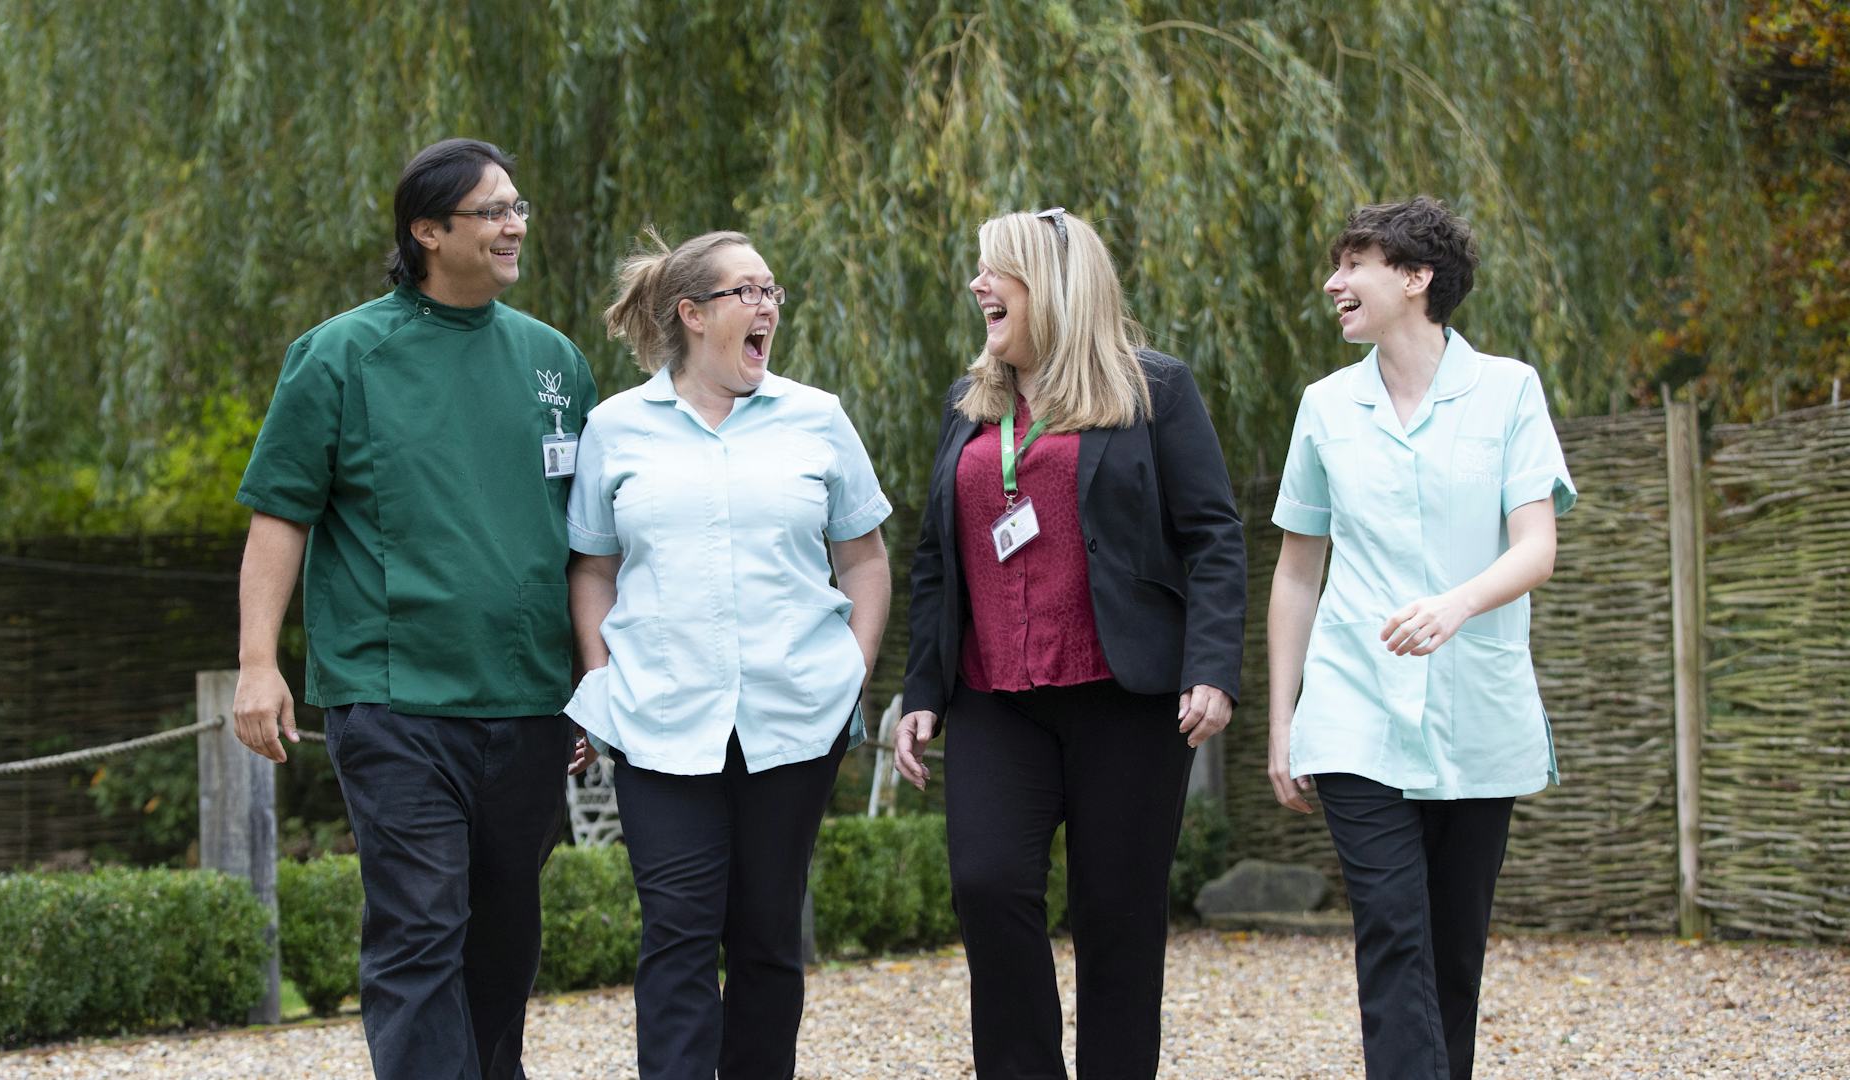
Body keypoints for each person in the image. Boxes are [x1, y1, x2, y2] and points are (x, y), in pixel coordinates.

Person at [232, 137, 597, 1080]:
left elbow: (589, 545)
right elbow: (281, 515)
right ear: (428, 230)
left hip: (527, 700)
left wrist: (599, 681)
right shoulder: (341, 355)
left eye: (519, 206)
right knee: (421, 920)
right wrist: (258, 663)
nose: (516, 224)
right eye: (493, 210)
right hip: (393, 697)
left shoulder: (554, 360)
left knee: (507, 925)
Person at [895, 208, 1247, 1078]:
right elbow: (937, 555)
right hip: (995, 700)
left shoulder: (1152, 389)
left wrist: (1212, 667)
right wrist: (923, 691)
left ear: (1053, 283)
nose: (978, 287)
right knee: (986, 886)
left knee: (1118, 918)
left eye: (996, 271)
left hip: (1123, 700)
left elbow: (1213, 535)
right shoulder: (969, 403)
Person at [564, 229, 892, 1079]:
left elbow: (864, 557)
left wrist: (851, 671)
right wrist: (600, 681)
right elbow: (593, 569)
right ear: (692, 313)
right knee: (675, 935)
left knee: (767, 937)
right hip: (660, 722)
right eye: (747, 291)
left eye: (772, 291)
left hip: (795, 720)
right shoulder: (615, 427)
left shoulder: (816, 417)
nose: (767, 306)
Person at [1266, 196, 1576, 1080]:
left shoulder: (1509, 390)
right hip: (1354, 707)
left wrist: (1455, 605)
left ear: (1415, 277)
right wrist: (1286, 720)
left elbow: (1537, 547)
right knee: (1394, 933)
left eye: (1354, 263)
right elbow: (1296, 571)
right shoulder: (1324, 407)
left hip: (1478, 707)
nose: (1334, 282)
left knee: (1452, 949)